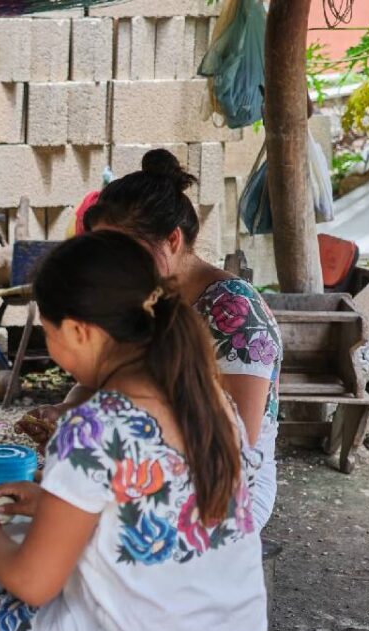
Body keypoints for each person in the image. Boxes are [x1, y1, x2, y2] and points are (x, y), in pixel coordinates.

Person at [0, 230, 267, 631]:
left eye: (49, 333)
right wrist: (50, 501)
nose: (52, 348)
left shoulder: (93, 424)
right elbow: (158, 499)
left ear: (78, 331)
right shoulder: (208, 398)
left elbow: (33, 583)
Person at [18, 149, 282, 528]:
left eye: (124, 251)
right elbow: (103, 378)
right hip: (152, 458)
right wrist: (67, 411)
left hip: (227, 484)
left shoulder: (235, 312)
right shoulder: (137, 295)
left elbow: (232, 445)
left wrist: (99, 455)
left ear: (172, 240)